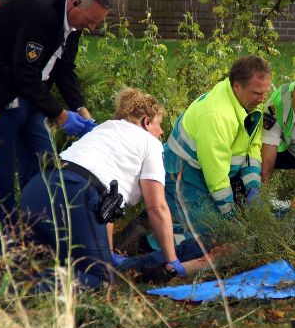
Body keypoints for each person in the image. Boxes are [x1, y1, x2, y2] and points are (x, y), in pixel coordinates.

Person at [0, 0, 111, 261]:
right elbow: (23, 71)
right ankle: (0, 259)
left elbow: (64, 68)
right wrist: (58, 114)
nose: (91, 28)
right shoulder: (40, 13)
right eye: (91, 20)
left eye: (96, 23)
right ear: (74, 2)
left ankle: (37, 249)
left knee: (43, 170)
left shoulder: (74, 23)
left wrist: (81, 110)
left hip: (26, 90)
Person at [20, 88, 184, 289]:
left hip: (38, 188)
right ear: (147, 122)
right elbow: (156, 207)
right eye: (159, 125)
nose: (161, 132)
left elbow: (105, 208)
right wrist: (172, 260)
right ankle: (15, 292)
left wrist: (107, 253)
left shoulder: (104, 129)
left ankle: (12, 288)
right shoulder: (150, 143)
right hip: (75, 193)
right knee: (99, 278)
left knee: (60, 262)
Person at [162, 55, 271, 253]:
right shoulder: (217, 116)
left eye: (265, 92)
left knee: (220, 231)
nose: (262, 99)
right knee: (209, 237)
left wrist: (253, 186)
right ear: (237, 87)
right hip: (180, 174)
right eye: (257, 93)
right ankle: (153, 243)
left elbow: (252, 147)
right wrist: (229, 215)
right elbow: (216, 174)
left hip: (206, 173)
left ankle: (170, 224)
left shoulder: (248, 101)